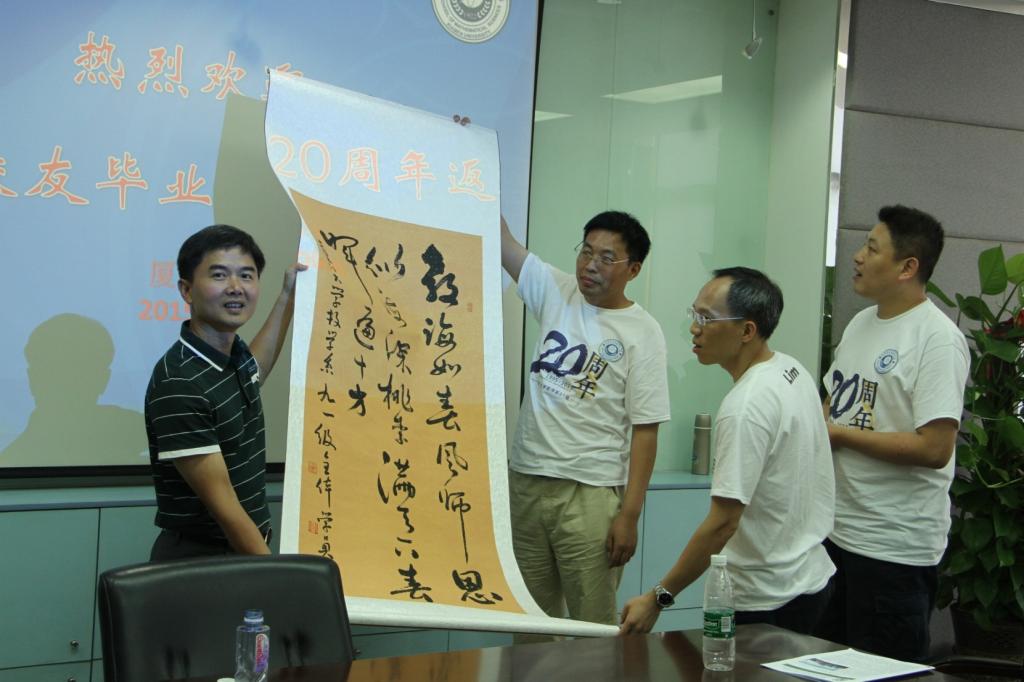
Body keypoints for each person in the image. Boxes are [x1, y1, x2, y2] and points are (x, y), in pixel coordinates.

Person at [620, 267, 835, 635]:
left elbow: (723, 523)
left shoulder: (746, 406)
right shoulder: (790, 369)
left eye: (706, 318)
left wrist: (657, 598)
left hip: (767, 601)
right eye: (694, 314)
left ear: (747, 331)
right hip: (809, 580)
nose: (694, 328)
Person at [501, 211, 670, 628]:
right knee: (530, 623)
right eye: (586, 252)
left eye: (606, 258)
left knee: (591, 627)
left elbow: (646, 431)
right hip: (526, 482)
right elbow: (503, 242)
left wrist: (629, 515)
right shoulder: (556, 291)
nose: (590, 265)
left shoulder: (643, 332)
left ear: (633, 269)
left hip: (590, 494)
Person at [817, 206, 969, 661]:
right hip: (837, 535)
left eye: (871, 248)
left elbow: (935, 448)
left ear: (907, 267)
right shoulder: (861, 323)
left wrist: (841, 436)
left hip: (893, 550)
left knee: (883, 671)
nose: (857, 257)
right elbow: (832, 405)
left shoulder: (937, 340)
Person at [146, 224, 306, 561]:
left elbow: (254, 372)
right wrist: (276, 575)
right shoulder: (180, 381)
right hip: (205, 562)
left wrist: (288, 296)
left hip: (237, 554)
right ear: (187, 290)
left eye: (246, 276)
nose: (236, 287)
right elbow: (226, 508)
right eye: (219, 275)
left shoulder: (230, 357)